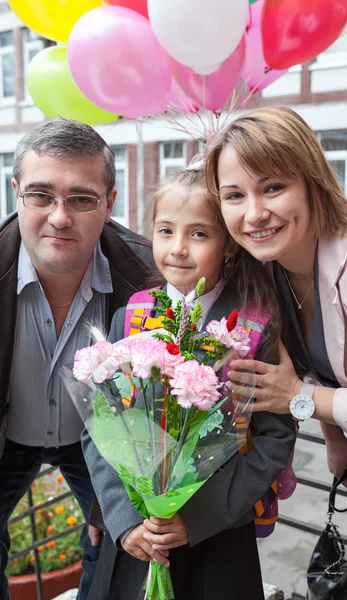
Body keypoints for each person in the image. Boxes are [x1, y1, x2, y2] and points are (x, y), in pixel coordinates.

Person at [203, 106, 347, 600]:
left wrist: (301, 400)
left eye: (272, 188)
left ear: (312, 180)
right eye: (234, 195)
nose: (253, 214)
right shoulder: (266, 270)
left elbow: (306, 389)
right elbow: (321, 367)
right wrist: (334, 437)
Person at [83, 167, 296, 600]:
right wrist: (124, 520)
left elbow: (274, 439)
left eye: (199, 234)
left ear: (229, 247)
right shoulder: (132, 317)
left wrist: (198, 517)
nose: (178, 249)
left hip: (217, 532)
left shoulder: (254, 328)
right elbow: (98, 429)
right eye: (165, 230)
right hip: (141, 534)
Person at [0, 118, 153, 600]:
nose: (60, 217)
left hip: (101, 444)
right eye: (41, 195)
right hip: (7, 438)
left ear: (109, 203)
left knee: (123, 544)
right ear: (16, 192)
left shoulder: (148, 279)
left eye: (81, 199)